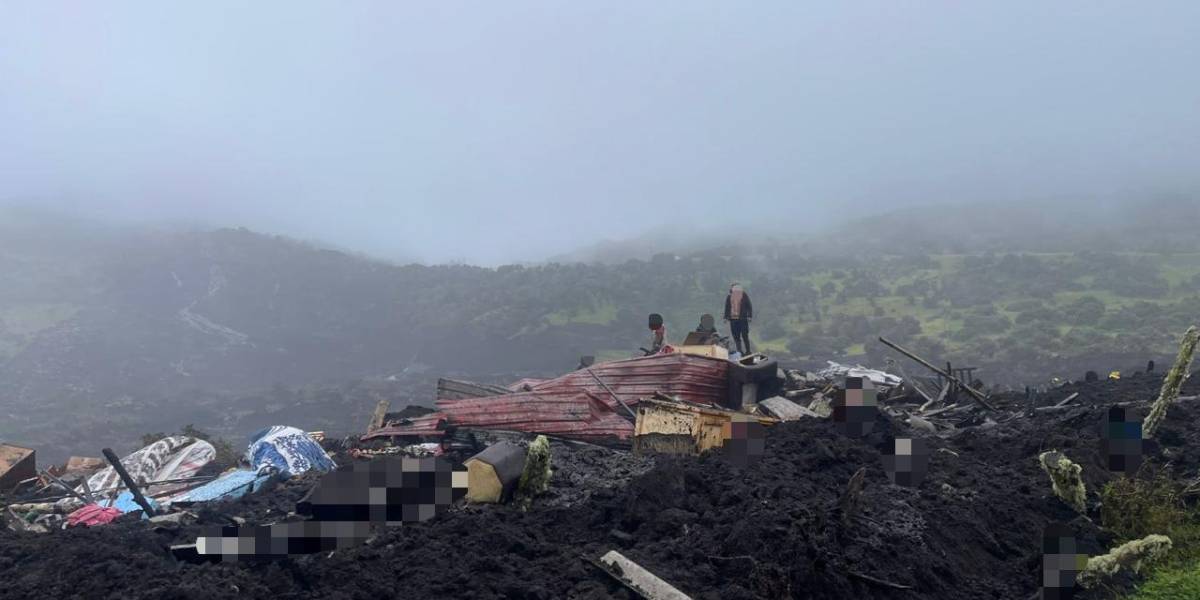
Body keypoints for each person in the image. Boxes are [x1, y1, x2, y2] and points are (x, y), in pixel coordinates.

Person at [724, 283, 752, 354]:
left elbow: (749, 305)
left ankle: (748, 351)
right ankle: (740, 351)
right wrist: (726, 317)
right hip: (733, 320)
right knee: (736, 336)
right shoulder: (729, 296)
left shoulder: (744, 295)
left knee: (745, 335)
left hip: (743, 319)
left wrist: (749, 316)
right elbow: (727, 307)